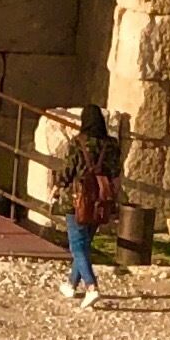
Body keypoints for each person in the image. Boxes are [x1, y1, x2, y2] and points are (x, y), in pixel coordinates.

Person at [57, 106, 120, 309]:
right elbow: (115, 173)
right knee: (84, 244)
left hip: (77, 201)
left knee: (77, 245)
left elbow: (68, 170)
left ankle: (92, 287)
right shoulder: (112, 144)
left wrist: (57, 186)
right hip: (100, 201)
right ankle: (70, 284)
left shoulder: (78, 142)